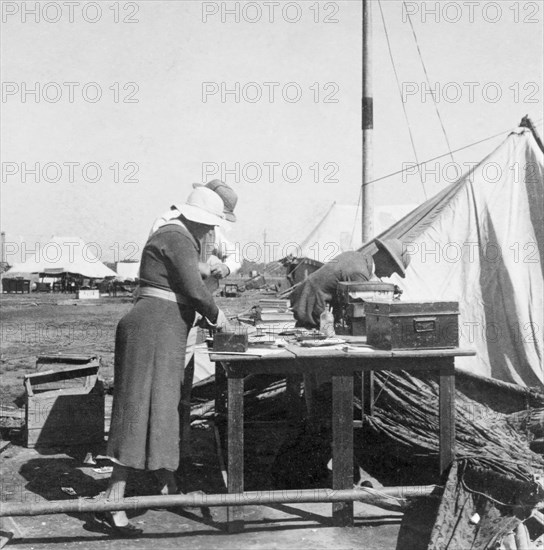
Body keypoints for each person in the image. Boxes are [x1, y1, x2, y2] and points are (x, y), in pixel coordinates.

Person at [98, 186, 229, 536]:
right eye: (209, 225)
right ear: (198, 220)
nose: (209, 232)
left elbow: (195, 279)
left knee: (164, 407)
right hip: (153, 328)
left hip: (165, 328)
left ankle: (167, 484)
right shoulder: (176, 236)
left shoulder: (179, 237)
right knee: (139, 409)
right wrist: (220, 317)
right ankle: (114, 497)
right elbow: (196, 289)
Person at [290, 238, 410, 328]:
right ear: (385, 260)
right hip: (311, 309)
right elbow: (361, 310)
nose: (389, 275)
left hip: (309, 304)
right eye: (392, 270)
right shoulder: (359, 271)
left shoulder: (358, 258)